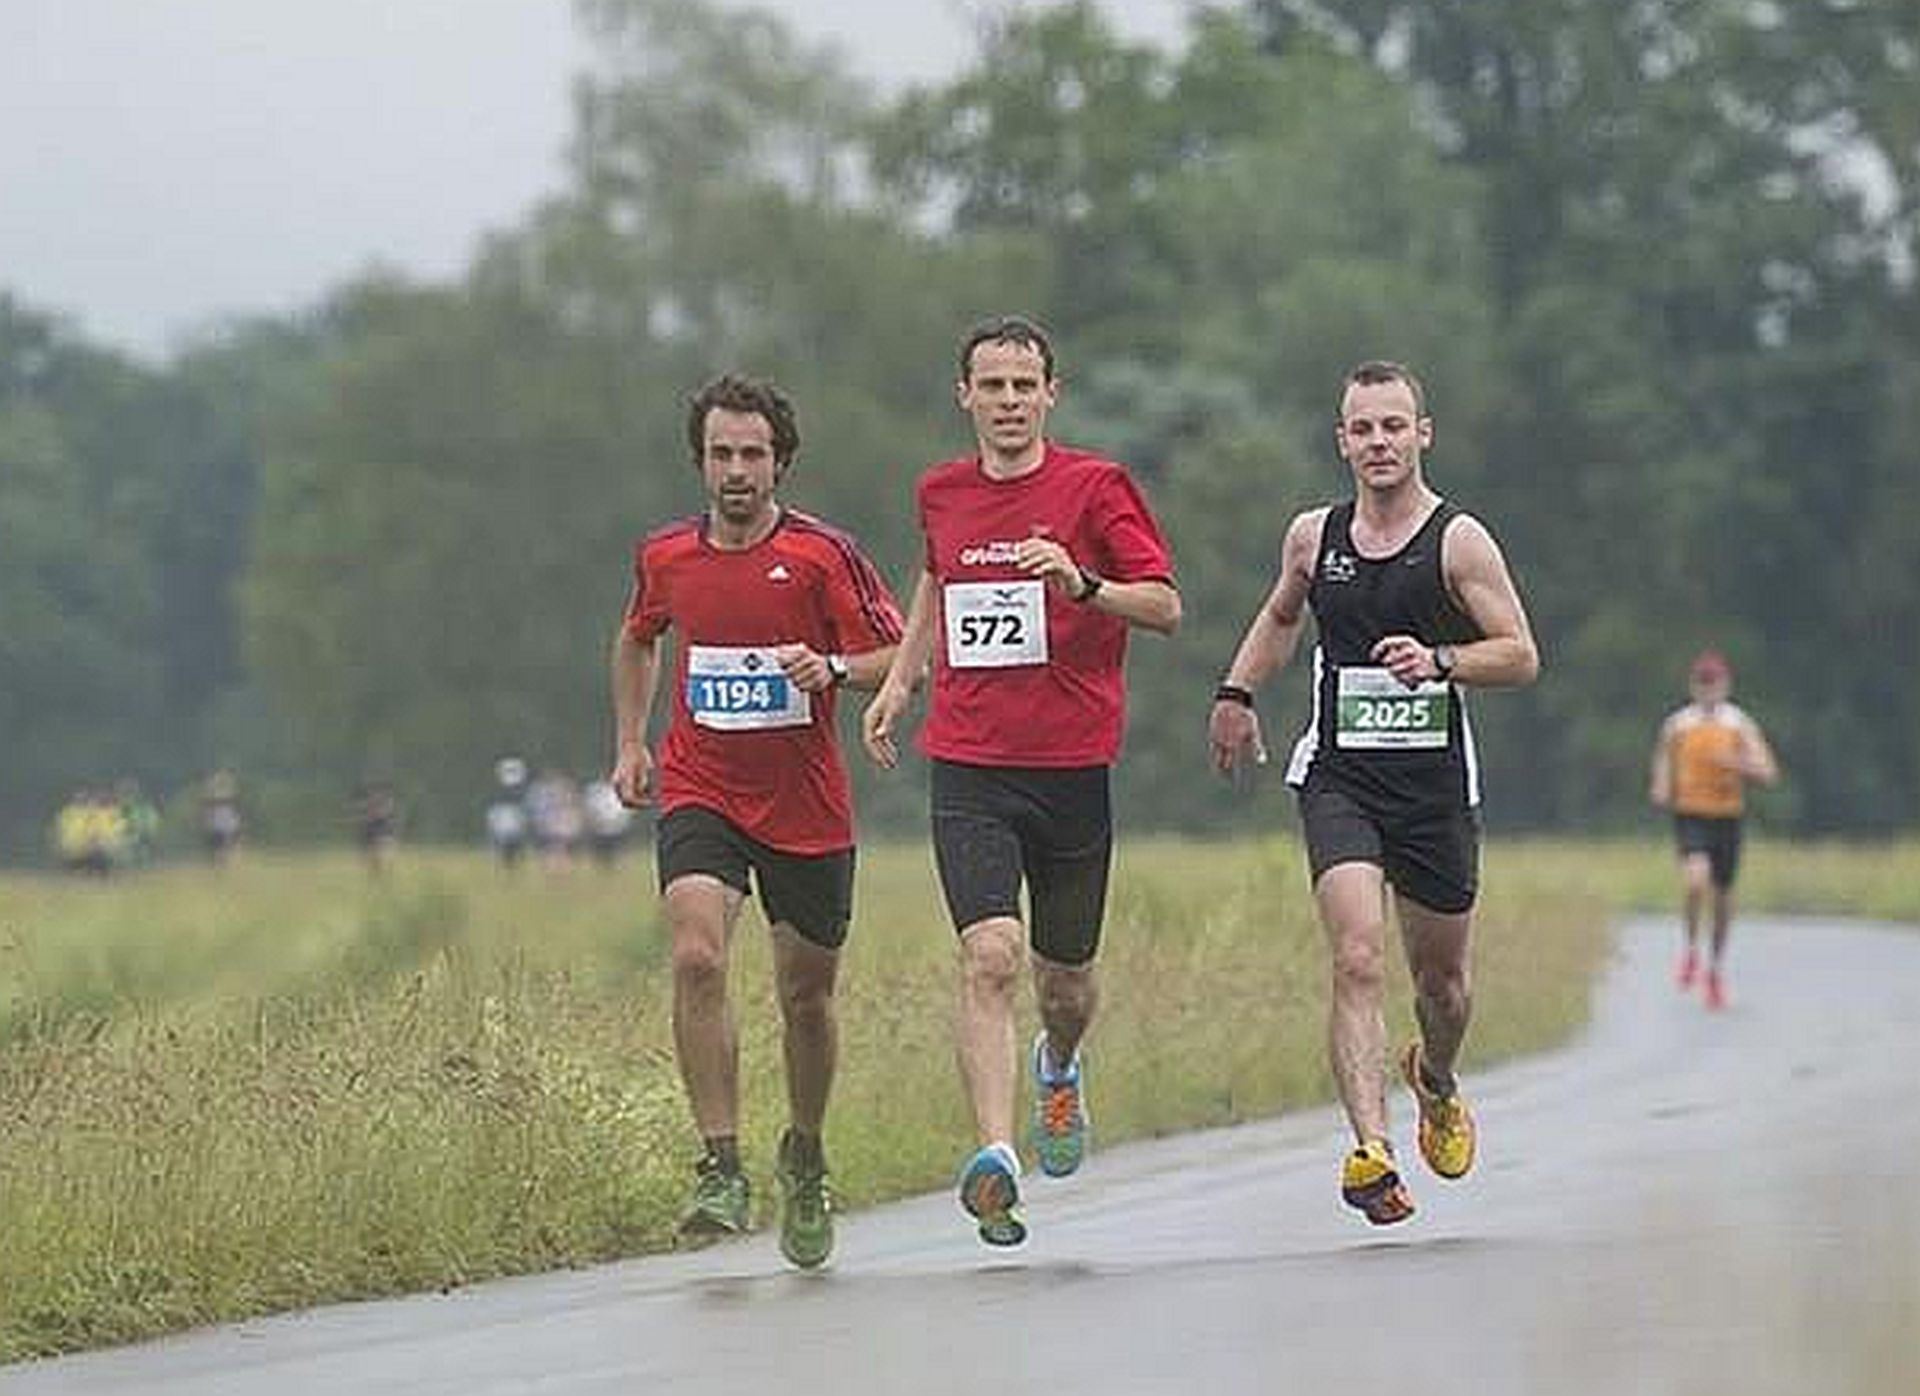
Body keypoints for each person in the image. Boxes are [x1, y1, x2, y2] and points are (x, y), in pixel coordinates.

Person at [862, 315, 1180, 1247]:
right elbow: (937, 580)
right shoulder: (941, 493)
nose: (1006, 402)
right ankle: (996, 1156)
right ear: (964, 395)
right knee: (990, 955)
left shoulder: (1094, 487)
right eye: (989, 386)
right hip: (969, 760)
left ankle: (1061, 1066)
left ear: (1050, 395)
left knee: (1065, 981)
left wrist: (1083, 584)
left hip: (1073, 764)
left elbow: (1164, 604)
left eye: (1021, 386)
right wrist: (901, 680)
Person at [1207, 360, 1539, 1227]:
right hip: (1340, 775)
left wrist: (1441, 660)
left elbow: (1520, 653)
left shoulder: (1460, 541)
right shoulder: (1315, 538)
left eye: (1394, 426)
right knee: (1356, 956)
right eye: (1363, 428)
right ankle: (1371, 1151)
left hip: (1431, 787)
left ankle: (1434, 1077)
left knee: (1444, 985)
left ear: (1422, 434)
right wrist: (1237, 695)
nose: (1379, 442)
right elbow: (1282, 617)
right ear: (1342, 441)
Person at [610, 373, 903, 1270]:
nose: (736, 471)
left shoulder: (824, 555)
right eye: (721, 454)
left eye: (752, 454)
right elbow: (638, 636)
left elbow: (897, 651)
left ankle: (804, 1156)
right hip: (703, 788)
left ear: (780, 461)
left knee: (805, 997)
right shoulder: (666, 555)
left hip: (806, 808)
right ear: (699, 461)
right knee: (697, 956)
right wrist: (630, 744)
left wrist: (832, 669)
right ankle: (721, 1164)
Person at [1648, 649, 1779, 1010]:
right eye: (1702, 683)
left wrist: (1736, 763)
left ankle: (1715, 968)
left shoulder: (1738, 724)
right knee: (1695, 882)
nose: (1708, 690)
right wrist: (1661, 786)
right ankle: (1691, 950)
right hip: (1691, 813)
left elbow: (1768, 771)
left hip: (1727, 817)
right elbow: (1662, 760)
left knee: (1722, 899)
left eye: (1714, 683)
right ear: (1693, 686)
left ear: (1726, 685)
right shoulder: (1678, 725)